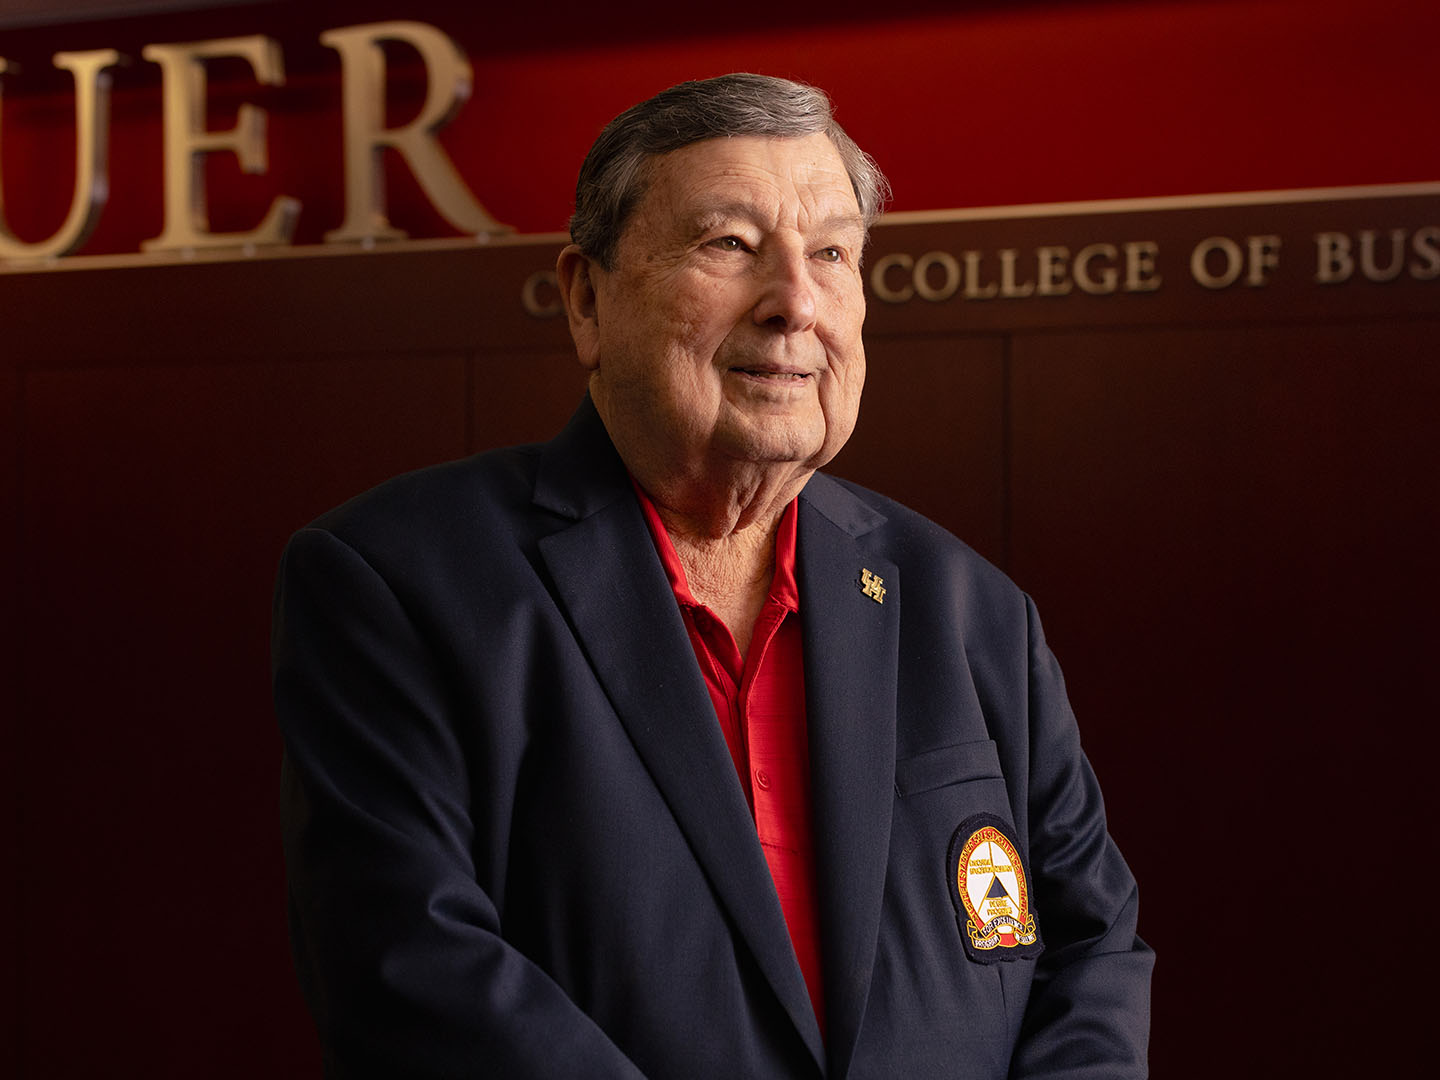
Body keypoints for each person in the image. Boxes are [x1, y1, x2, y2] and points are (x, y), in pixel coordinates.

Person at [273, 73, 1152, 1079]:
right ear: (587, 299)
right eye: (730, 245)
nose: (795, 303)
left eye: (831, 253)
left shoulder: (970, 606)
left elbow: (1093, 948)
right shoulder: (399, 583)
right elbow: (412, 974)